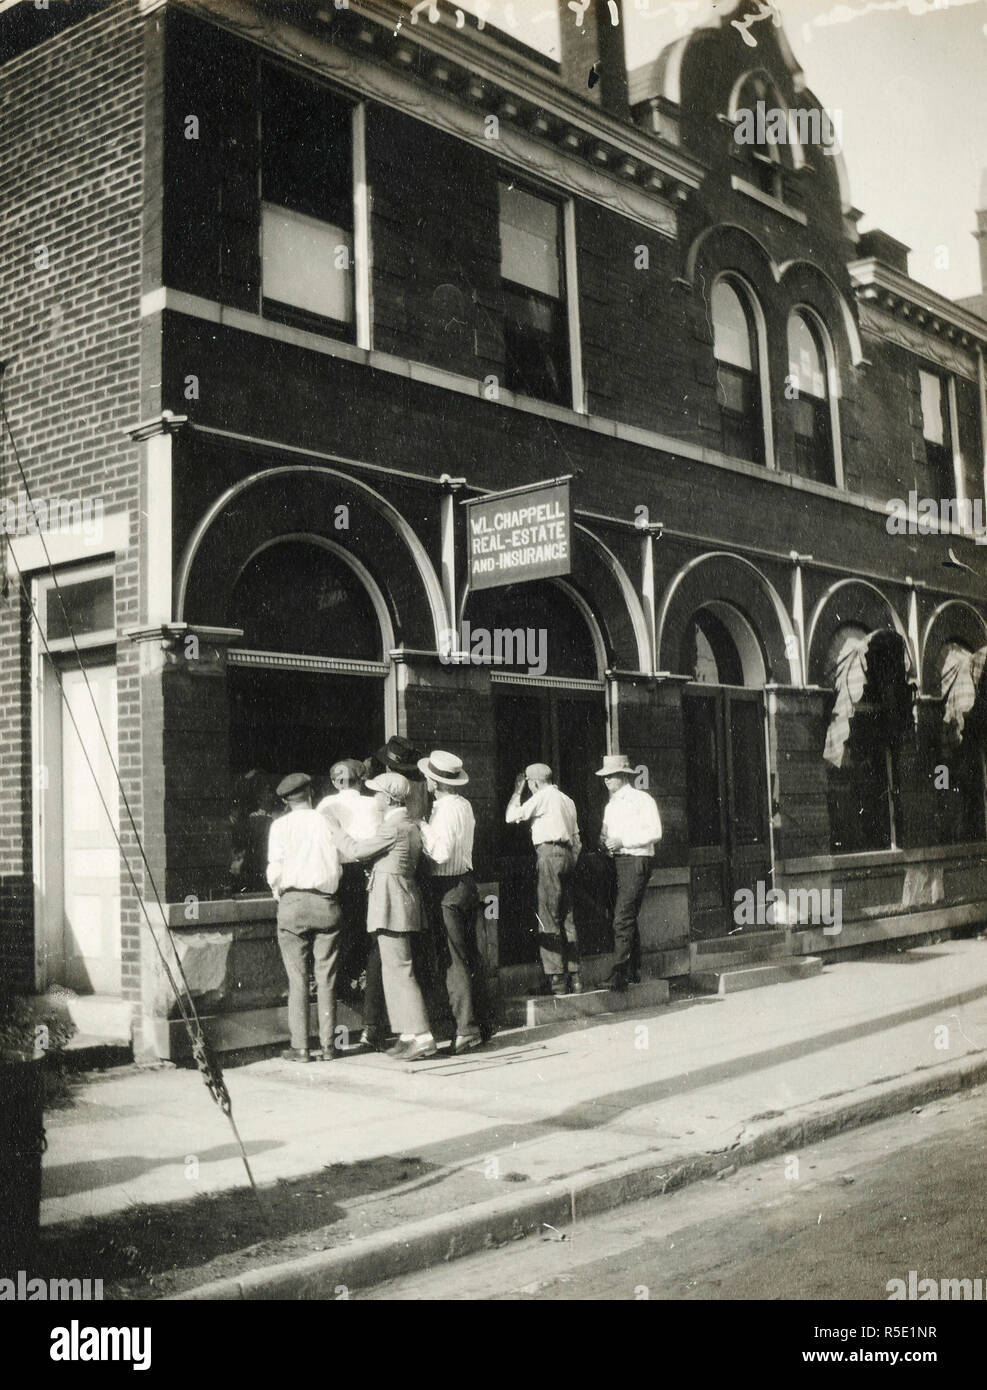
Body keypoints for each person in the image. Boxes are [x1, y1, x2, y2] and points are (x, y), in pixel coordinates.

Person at [327, 772, 437, 1062]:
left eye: (376, 793)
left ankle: (422, 1036)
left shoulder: (393, 828)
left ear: (388, 799)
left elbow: (357, 850)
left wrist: (337, 828)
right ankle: (407, 1034)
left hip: (392, 906)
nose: (373, 797)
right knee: (393, 970)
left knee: (400, 971)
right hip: (399, 903)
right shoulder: (407, 824)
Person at [266, 772, 343, 1062]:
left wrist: (282, 894)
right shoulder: (327, 820)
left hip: (293, 903)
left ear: (286, 800)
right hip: (326, 903)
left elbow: (274, 869)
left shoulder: (280, 826)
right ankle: (329, 1046)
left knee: (297, 979)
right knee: (327, 978)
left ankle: (300, 1046)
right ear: (311, 793)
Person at [417, 749, 486, 1053]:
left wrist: (421, 827)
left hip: (446, 887)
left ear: (434, 782)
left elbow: (441, 853)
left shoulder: (442, 812)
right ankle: (482, 1023)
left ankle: (466, 1028)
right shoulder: (465, 805)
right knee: (470, 955)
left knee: (454, 960)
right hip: (467, 883)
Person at [505, 763, 583, 996]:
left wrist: (517, 792)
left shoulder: (542, 796)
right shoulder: (567, 800)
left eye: (528, 783)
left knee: (548, 916)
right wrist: (569, 858)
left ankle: (556, 981)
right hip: (568, 855)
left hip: (548, 853)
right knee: (567, 917)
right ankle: (576, 978)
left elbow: (511, 816)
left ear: (534, 782)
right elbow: (577, 839)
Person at [597, 754, 662, 993]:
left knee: (622, 916)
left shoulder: (641, 800)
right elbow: (605, 834)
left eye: (611, 776)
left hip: (636, 860)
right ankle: (633, 970)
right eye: (604, 777)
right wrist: (604, 841)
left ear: (624, 776)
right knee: (625, 915)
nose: (607, 781)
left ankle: (619, 974)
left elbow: (655, 832)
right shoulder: (611, 805)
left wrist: (623, 840)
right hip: (617, 862)